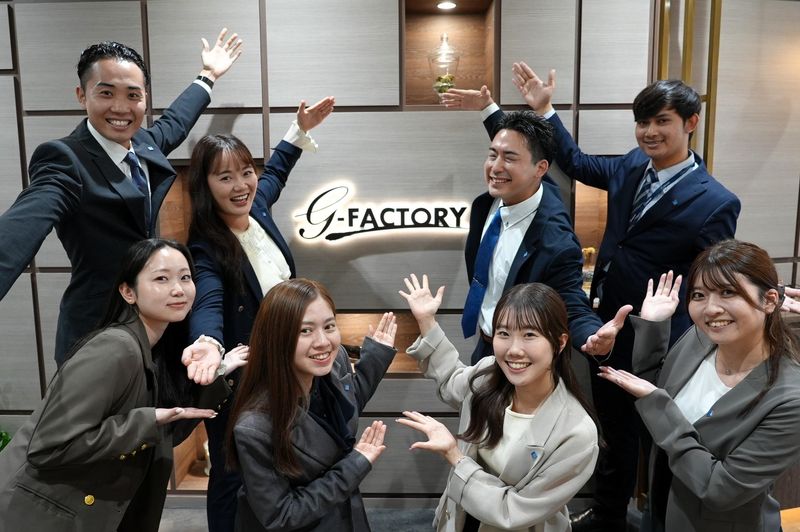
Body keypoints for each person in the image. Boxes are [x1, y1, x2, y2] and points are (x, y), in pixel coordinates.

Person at [443, 68, 741, 530]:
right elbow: (556, 159)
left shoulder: (715, 200)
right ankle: (608, 516)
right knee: (614, 429)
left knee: (661, 436)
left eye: (661, 121)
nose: (649, 132)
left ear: (691, 123)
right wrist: (536, 110)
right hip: (608, 327)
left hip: (661, 339)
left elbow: (716, 273)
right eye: (642, 122)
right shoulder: (631, 166)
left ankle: (656, 521)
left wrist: (758, 296)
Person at [0, 29, 242, 368]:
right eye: (106, 93)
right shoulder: (64, 160)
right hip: (97, 334)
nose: (121, 107)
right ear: (82, 95)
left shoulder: (142, 143)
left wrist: (208, 75)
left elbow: (175, 123)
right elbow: (23, 224)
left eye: (132, 95)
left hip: (152, 328)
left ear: (144, 98)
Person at [0, 238, 234, 532]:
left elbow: (165, 435)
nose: (178, 289)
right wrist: (148, 420)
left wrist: (218, 371)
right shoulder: (115, 348)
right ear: (128, 292)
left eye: (185, 277)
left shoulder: (156, 349)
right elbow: (50, 445)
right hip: (38, 514)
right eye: (161, 279)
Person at [187, 96, 334, 532]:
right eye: (225, 177)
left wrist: (298, 130)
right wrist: (207, 343)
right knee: (231, 473)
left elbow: (276, 174)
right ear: (205, 185)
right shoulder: (205, 246)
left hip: (285, 368)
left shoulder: (258, 208)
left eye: (245, 172)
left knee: (278, 465)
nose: (241, 185)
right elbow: (207, 299)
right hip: (243, 382)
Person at [599, 239, 800, 532]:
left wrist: (659, 407)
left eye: (728, 292)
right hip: (661, 508)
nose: (710, 309)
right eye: (699, 295)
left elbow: (720, 489)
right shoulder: (700, 338)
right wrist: (653, 328)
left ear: (769, 300)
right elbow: (656, 392)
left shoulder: (790, 400)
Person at [396, 274, 599, 532]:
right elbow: (450, 380)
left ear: (559, 342)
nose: (513, 349)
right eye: (504, 333)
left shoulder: (577, 433)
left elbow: (512, 511)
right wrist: (426, 321)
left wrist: (454, 456)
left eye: (529, 334)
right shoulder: (489, 374)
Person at [456, 109, 626, 365]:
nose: (495, 167)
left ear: (540, 168)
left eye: (509, 158)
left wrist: (591, 334)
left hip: (522, 360)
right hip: (485, 345)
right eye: (492, 155)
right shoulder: (487, 204)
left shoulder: (556, 241)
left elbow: (570, 302)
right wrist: (487, 107)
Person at [226, 278, 398, 531]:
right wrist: (355, 465)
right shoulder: (255, 427)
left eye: (329, 326)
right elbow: (281, 515)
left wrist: (376, 357)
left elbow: (345, 407)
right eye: (305, 331)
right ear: (276, 338)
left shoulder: (334, 363)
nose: (323, 342)